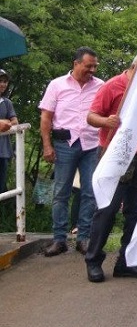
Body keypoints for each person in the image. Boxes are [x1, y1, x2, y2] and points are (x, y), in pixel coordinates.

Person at [84, 52, 137, 282]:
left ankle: (126, 262)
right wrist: (106, 121)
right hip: (115, 156)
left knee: (136, 210)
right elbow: (91, 116)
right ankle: (93, 260)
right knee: (107, 209)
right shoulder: (113, 86)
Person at [39, 48, 103, 257]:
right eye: (88, 66)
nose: (92, 70)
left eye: (95, 66)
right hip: (65, 144)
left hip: (91, 144)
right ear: (76, 64)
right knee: (61, 192)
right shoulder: (57, 85)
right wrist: (47, 145)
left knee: (90, 192)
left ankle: (83, 237)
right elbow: (46, 117)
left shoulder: (100, 86)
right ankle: (59, 239)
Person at [0, 69, 18, 196]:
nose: (3, 84)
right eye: (0, 81)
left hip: (3, 151)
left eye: (5, 81)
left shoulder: (7, 103)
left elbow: (15, 122)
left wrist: (5, 123)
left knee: (1, 188)